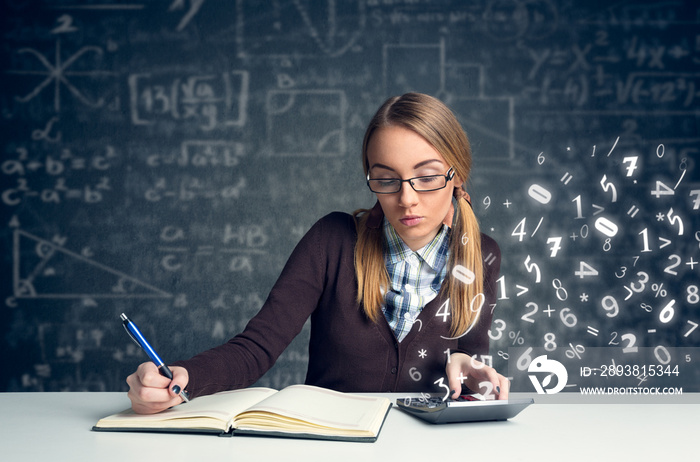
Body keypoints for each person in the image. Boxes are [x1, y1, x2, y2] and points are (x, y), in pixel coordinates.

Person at [127, 92, 509, 414]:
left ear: (457, 175)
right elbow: (257, 348)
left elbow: (471, 365)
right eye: (386, 179)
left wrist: (465, 365)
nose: (406, 199)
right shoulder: (333, 240)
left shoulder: (482, 255)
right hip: (330, 441)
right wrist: (181, 377)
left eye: (426, 177)